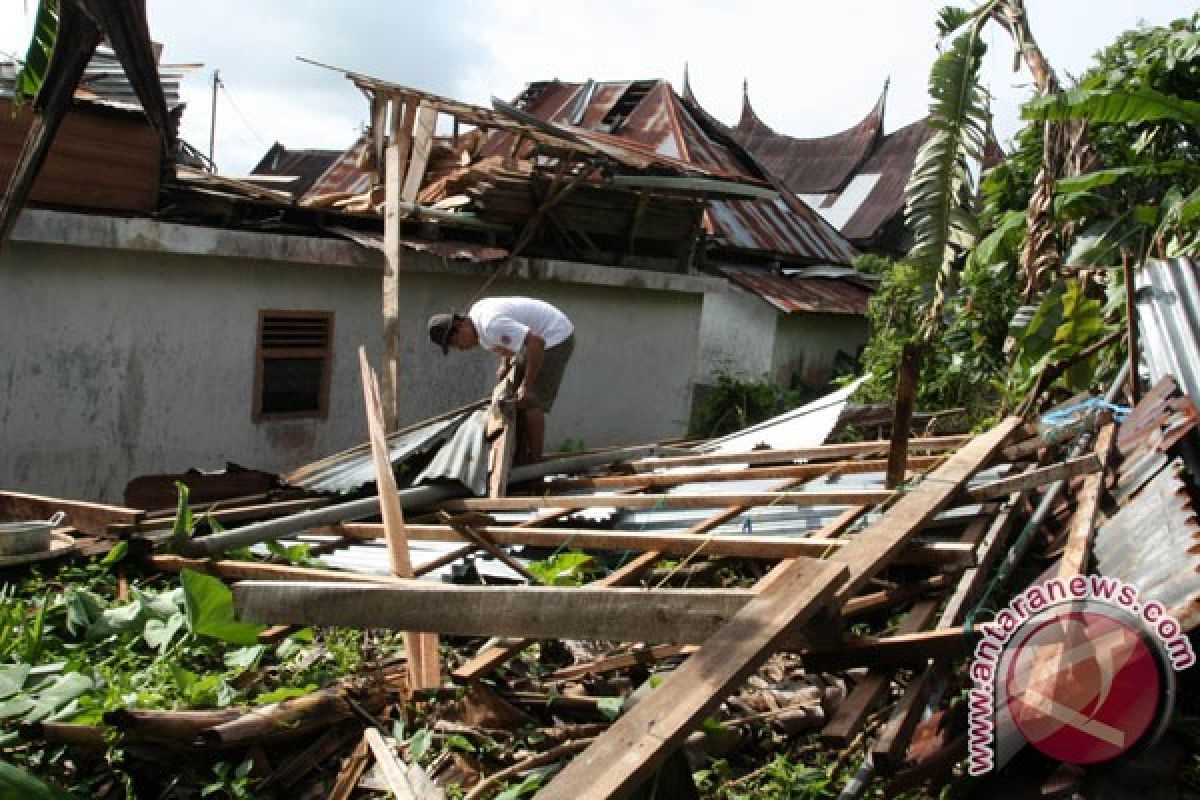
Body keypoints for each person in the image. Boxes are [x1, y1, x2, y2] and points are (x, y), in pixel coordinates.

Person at [428, 297, 574, 464]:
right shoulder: (477, 321)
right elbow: (509, 340)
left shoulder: (490, 325)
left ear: (459, 327)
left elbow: (536, 342)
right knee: (516, 400)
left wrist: (527, 385)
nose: (461, 349)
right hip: (535, 338)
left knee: (530, 402)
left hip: (554, 337)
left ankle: (535, 462)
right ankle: (521, 457)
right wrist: (504, 363)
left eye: (455, 344)